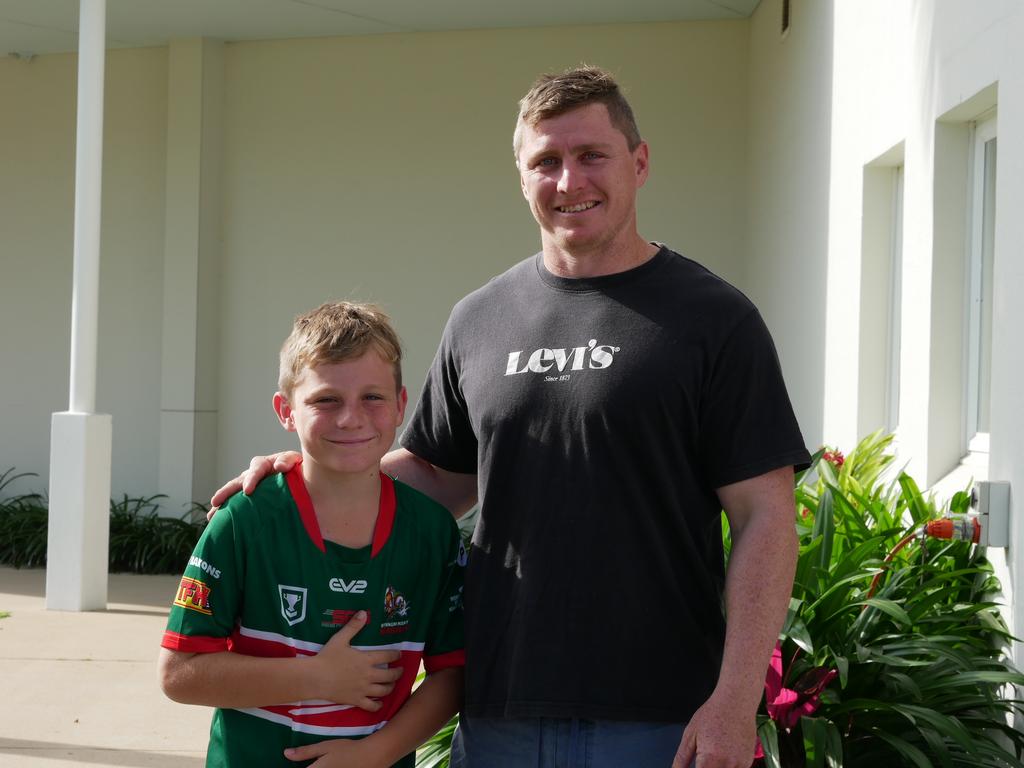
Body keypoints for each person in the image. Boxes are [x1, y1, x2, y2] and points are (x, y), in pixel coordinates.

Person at [213, 66, 809, 768]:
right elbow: (434, 474)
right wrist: (307, 475)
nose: (569, 181)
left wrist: (736, 700)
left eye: (592, 156)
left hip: (658, 718)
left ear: (639, 163)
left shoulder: (714, 319)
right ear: (521, 178)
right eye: (546, 162)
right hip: (499, 711)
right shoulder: (482, 318)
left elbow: (765, 517)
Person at [161, 301, 466, 768]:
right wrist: (317, 677)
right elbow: (180, 674)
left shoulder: (432, 533)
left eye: (373, 397)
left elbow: (452, 675)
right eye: (326, 400)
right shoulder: (245, 520)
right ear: (286, 410)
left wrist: (374, 754)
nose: (350, 418)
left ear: (402, 405)